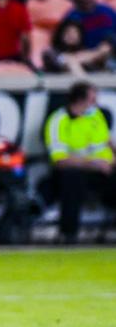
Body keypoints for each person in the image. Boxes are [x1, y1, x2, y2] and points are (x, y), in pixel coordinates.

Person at [44, 81, 116, 244]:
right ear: (79, 100)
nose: (96, 103)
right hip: (76, 171)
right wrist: (94, 164)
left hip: (103, 170)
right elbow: (59, 160)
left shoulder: (95, 115)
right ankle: (68, 235)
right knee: (71, 179)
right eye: (92, 99)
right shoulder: (59, 120)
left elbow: (107, 142)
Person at [61, 0, 116, 68]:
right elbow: (67, 41)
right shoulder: (71, 16)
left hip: (109, 53)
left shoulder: (108, 12)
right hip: (82, 55)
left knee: (106, 48)